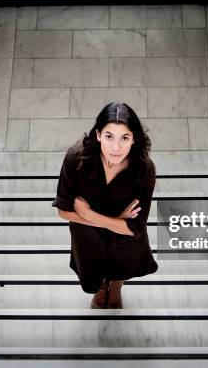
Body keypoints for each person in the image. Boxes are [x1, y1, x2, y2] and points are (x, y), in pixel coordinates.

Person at [52, 102, 158, 309]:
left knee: (122, 266)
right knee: (92, 269)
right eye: (109, 136)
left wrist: (88, 214)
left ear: (134, 139)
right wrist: (117, 222)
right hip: (87, 237)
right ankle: (101, 288)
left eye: (124, 138)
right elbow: (63, 211)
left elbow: (135, 228)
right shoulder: (75, 160)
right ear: (98, 135)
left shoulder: (143, 169)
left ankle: (116, 287)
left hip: (124, 242)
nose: (116, 148)